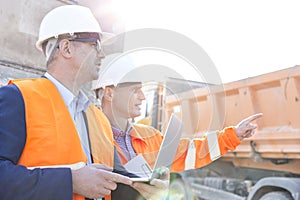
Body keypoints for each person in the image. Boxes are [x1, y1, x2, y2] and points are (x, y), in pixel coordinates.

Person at [0, 5, 135, 200]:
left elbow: (109, 180)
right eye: (95, 45)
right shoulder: (17, 98)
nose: (102, 55)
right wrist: (71, 182)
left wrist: (143, 186)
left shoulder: (98, 119)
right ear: (66, 48)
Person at [92, 55, 263, 173]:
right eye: (135, 90)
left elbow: (191, 151)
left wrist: (234, 135)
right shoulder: (87, 136)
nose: (143, 97)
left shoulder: (149, 136)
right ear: (109, 93)